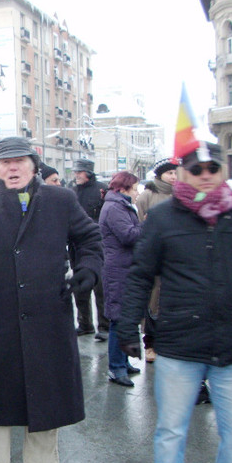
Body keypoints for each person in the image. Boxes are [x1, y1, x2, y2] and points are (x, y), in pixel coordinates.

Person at [116, 142, 232, 463]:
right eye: (196, 168)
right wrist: (127, 326)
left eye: (212, 168)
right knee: (171, 431)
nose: (204, 174)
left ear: (224, 171)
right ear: (184, 172)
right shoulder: (163, 217)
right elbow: (141, 274)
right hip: (179, 343)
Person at [0, 137, 103, 463]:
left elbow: (89, 239)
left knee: (45, 402)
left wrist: (88, 268)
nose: (13, 168)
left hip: (48, 321)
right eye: (5, 163)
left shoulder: (61, 201)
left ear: (35, 166)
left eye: (20, 160)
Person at [98, 171, 142, 387]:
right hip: (118, 269)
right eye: (134, 188)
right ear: (124, 188)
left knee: (125, 317)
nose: (137, 192)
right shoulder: (115, 206)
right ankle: (116, 368)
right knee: (118, 319)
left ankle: (123, 360)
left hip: (125, 267)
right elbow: (128, 235)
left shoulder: (120, 204)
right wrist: (148, 226)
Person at [135, 157, 179, 364]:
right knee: (152, 301)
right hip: (154, 258)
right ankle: (150, 343)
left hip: (176, 259)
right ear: (160, 174)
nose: (173, 176)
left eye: (176, 173)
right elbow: (138, 226)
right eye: (169, 173)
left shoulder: (182, 194)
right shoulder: (147, 195)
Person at [71, 158, 110, 342]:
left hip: (97, 246)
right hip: (75, 248)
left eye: (80, 172)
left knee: (100, 288)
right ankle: (85, 324)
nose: (76, 175)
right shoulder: (71, 192)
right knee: (80, 288)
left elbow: (107, 217)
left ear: (89, 173)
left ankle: (104, 325)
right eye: (75, 172)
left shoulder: (102, 190)